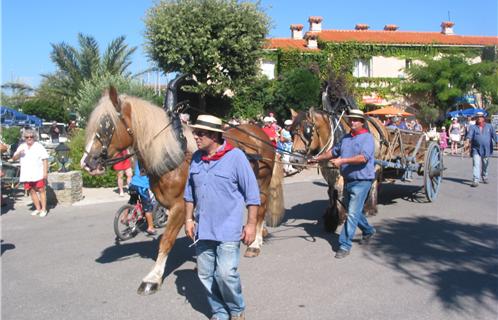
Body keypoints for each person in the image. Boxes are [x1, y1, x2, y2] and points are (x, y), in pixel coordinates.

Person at [184, 114, 260, 320]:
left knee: (226, 274)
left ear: (214, 135)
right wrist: (188, 219)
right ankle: (219, 312)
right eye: (195, 133)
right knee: (205, 274)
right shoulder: (197, 158)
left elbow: (253, 195)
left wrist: (251, 225)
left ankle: (236, 310)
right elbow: (189, 193)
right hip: (204, 229)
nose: (196, 137)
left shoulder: (236, 157)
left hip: (229, 228)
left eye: (200, 133)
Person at [309, 109, 376, 259]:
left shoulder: (367, 138)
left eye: (356, 120)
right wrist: (317, 158)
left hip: (362, 181)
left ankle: (344, 245)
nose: (353, 122)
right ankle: (368, 230)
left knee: (351, 213)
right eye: (351, 119)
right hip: (348, 180)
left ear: (362, 122)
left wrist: (342, 161)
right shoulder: (346, 138)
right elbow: (333, 152)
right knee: (354, 211)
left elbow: (363, 158)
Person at [11, 128, 49, 217]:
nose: (29, 138)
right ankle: (38, 209)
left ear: (34, 137)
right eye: (27, 137)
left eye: (31, 136)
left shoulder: (39, 146)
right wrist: (18, 153)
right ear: (24, 138)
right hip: (26, 173)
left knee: (41, 190)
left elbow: (45, 159)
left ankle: (44, 209)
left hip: (38, 172)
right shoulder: (22, 146)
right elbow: (14, 158)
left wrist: (45, 172)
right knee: (31, 191)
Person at [465, 112, 497, 187]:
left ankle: (484, 176)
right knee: (476, 164)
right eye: (478, 117)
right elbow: (469, 135)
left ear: (483, 118)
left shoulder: (489, 126)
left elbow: (494, 136)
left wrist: (497, 141)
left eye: (481, 117)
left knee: (485, 164)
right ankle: (476, 180)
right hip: (476, 149)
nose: (479, 118)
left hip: (486, 149)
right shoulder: (473, 127)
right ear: (476, 118)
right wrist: (467, 141)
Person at [125, 160, 156, 235]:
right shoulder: (149, 162)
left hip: (132, 184)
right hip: (142, 186)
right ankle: (150, 228)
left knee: (132, 202)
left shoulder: (138, 160)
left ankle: (124, 217)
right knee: (148, 208)